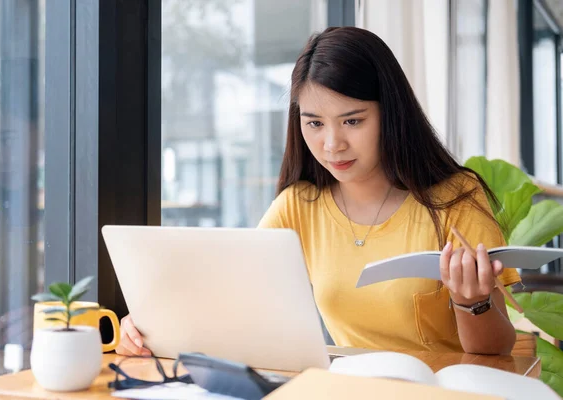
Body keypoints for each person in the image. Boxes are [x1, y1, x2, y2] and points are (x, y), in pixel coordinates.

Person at [116, 27, 520, 357]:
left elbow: (497, 348)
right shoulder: (299, 206)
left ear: (391, 114)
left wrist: (473, 302)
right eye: (314, 124)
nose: (332, 145)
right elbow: (231, 300)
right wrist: (152, 325)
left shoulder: (454, 198)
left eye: (352, 121)